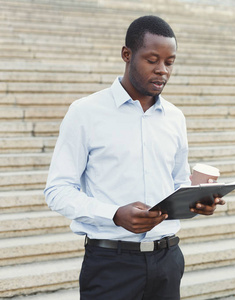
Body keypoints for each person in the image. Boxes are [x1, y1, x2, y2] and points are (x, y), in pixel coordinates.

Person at [44, 15, 225, 300]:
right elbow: (57, 190)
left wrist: (195, 201)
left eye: (169, 62)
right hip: (110, 266)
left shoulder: (175, 118)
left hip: (168, 261)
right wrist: (115, 215)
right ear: (127, 54)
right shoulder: (85, 112)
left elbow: (178, 181)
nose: (162, 70)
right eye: (152, 60)